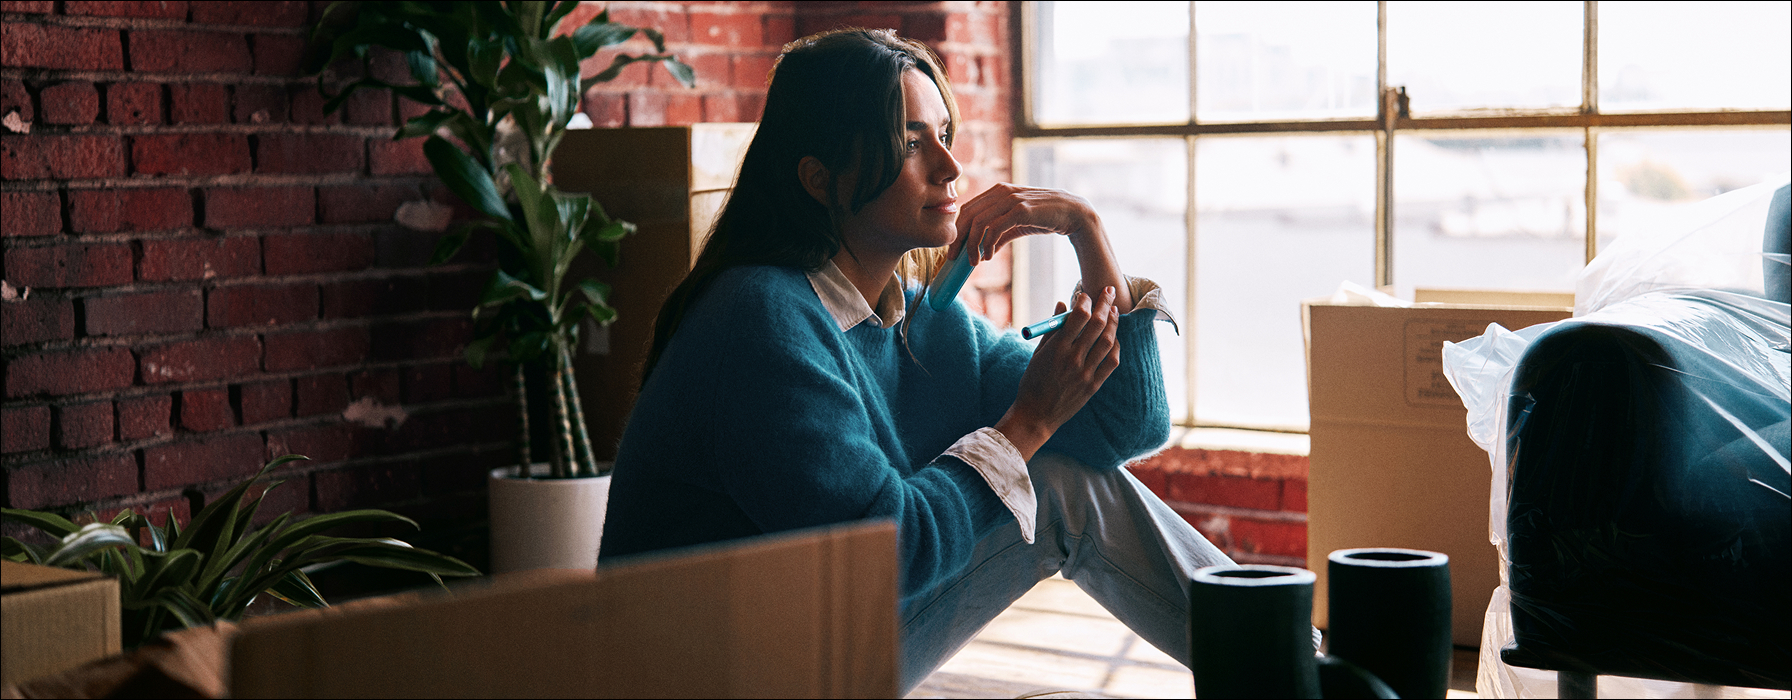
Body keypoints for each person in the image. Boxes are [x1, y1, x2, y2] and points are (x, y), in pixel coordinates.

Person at [597, 28, 1242, 693]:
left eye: (943, 134)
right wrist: (1027, 422)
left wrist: (1085, 228)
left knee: (1064, 480)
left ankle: (1283, 661)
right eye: (910, 143)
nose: (949, 167)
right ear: (821, 180)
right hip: (722, 676)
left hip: (815, 647)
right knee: (1043, 472)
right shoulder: (759, 317)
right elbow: (885, 554)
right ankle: (1282, 660)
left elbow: (1121, 432)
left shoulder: (923, 320)